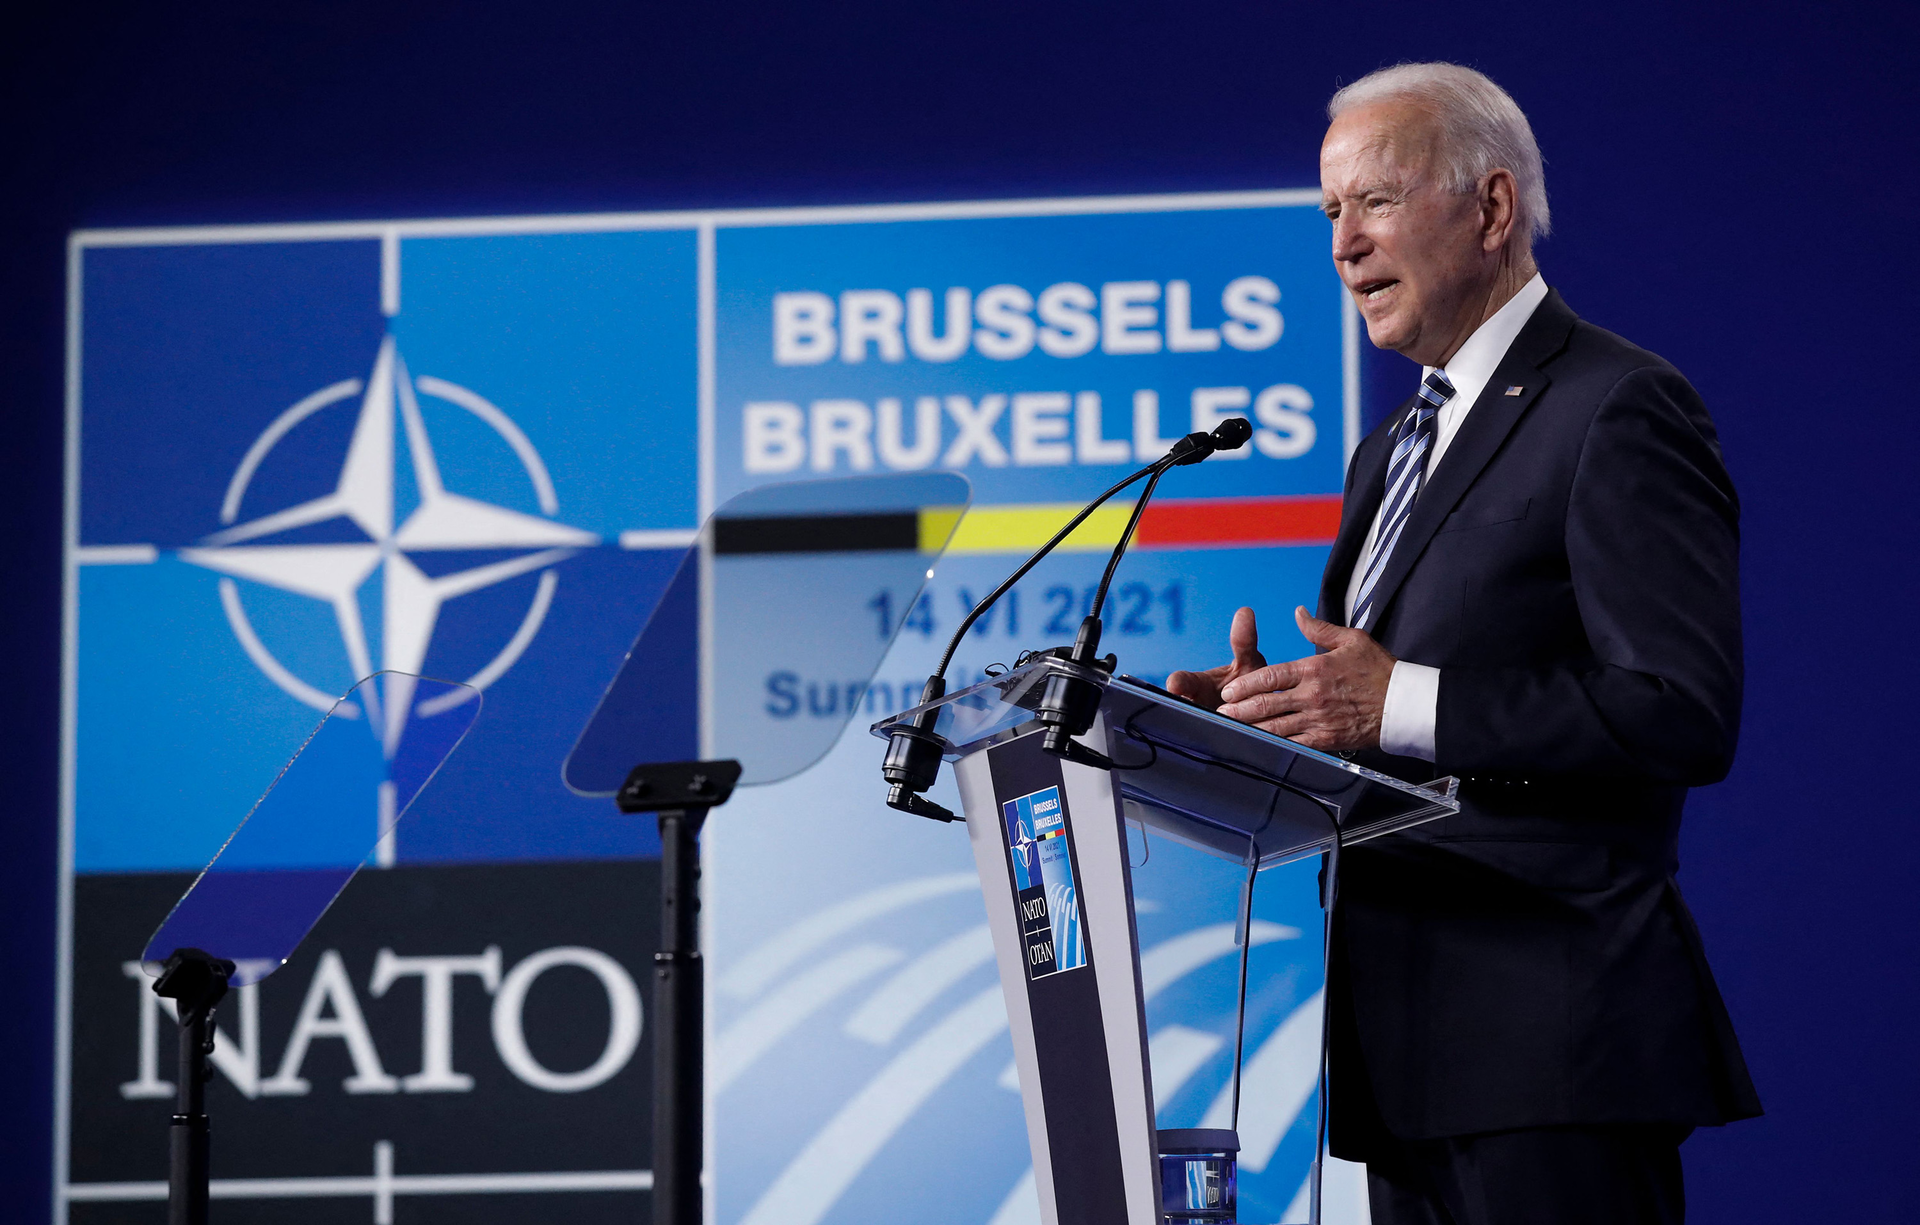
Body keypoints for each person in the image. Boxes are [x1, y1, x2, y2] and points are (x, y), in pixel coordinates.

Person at [1166, 63, 1761, 1225]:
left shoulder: (1617, 405)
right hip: (1403, 1052)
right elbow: (1374, 730)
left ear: (1491, 209)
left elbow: (1682, 707)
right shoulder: (1387, 449)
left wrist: (1394, 702)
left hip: (1554, 1048)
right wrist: (1265, 719)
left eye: (1375, 202)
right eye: (1330, 211)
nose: (1344, 246)